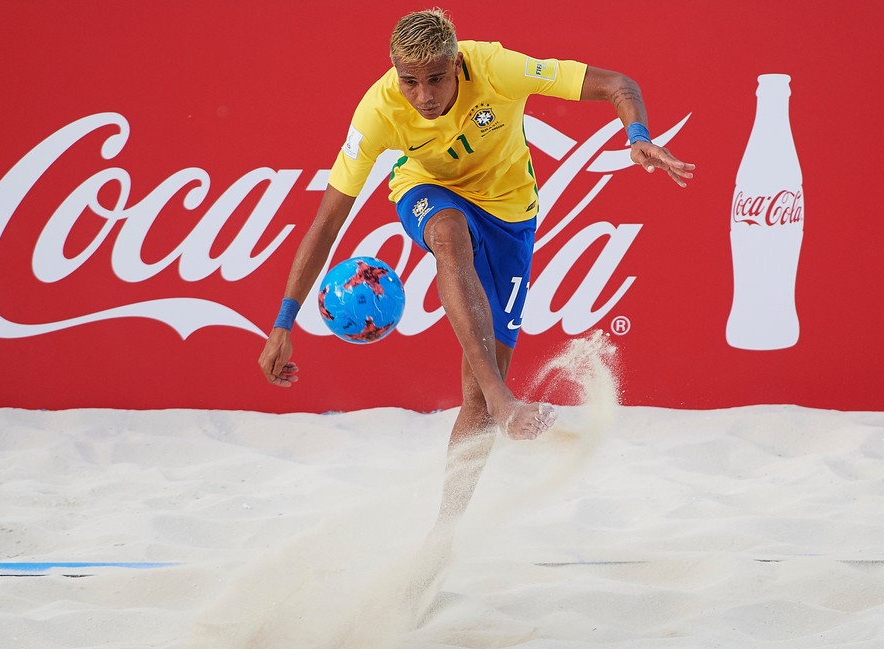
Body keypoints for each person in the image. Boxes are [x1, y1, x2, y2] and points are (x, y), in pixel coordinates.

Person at [259, 9, 694, 523]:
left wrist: (636, 134)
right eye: (410, 82)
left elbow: (618, 84)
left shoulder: (497, 67)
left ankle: (443, 537)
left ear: (458, 64)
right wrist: (283, 323)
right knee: (449, 234)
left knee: (477, 402)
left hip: (511, 212)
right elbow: (326, 223)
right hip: (428, 192)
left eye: (436, 79)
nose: (423, 97)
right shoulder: (377, 110)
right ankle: (502, 398)